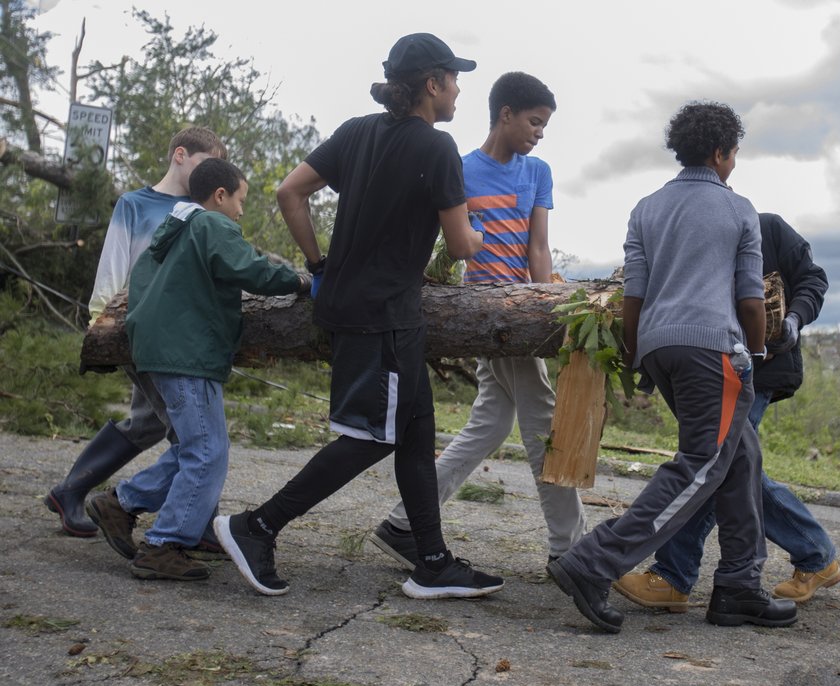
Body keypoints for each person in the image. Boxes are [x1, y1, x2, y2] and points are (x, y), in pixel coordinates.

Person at [214, 33, 503, 600]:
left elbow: (288, 192)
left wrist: (319, 263)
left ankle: (433, 561)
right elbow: (463, 245)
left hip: (358, 306)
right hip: (383, 319)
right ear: (431, 84)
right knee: (372, 436)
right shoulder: (437, 147)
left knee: (417, 433)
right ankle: (257, 527)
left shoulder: (356, 131)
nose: (459, 88)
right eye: (453, 78)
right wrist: (480, 230)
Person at [546, 101, 797, 633]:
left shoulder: (647, 208)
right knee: (700, 466)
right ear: (719, 153)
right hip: (714, 351)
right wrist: (754, 353)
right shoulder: (738, 210)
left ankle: (738, 586)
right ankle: (594, 562)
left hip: (659, 346)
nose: (734, 163)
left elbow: (633, 294)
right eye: (733, 153)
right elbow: (751, 300)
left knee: (740, 459)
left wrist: (638, 355)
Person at [369, 71, 586, 570]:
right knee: (543, 424)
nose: (539, 132)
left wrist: (551, 309)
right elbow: (447, 245)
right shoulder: (460, 170)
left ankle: (404, 523)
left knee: (491, 423)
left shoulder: (538, 172)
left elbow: (538, 249)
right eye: (534, 121)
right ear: (505, 114)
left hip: (524, 315)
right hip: (487, 316)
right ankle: (570, 550)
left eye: (545, 125)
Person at [85, 158, 311, 581]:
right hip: (184, 352)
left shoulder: (170, 232)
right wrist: (300, 281)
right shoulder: (210, 224)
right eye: (240, 200)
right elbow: (249, 268)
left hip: (154, 349)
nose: (241, 212)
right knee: (207, 452)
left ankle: (121, 504)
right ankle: (163, 544)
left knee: (198, 448)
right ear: (220, 195)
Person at [614, 212, 839, 611]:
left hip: (762, 368)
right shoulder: (698, 241)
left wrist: (793, 320)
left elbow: (813, 279)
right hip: (711, 368)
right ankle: (816, 555)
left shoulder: (768, 228)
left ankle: (673, 576)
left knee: (717, 464)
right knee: (729, 465)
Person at [44, 127, 226, 540]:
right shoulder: (136, 204)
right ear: (180, 155)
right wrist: (100, 327)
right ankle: (184, 523)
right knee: (193, 432)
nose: (212, 177)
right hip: (137, 332)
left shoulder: (203, 210)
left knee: (148, 424)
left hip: (182, 342)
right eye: (205, 164)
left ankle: (68, 491)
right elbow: (113, 265)